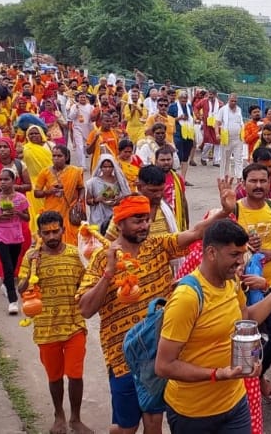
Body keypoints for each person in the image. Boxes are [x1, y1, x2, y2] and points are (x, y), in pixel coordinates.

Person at [76, 185, 239, 434]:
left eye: (146, 220)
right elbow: (85, 309)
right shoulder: (102, 258)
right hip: (123, 358)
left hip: (157, 355)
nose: (144, 226)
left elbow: (196, 232)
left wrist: (224, 212)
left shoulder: (158, 245)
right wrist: (109, 273)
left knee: (154, 423)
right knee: (126, 427)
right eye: (136, 221)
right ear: (119, 223)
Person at [155, 219, 271, 433]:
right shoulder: (187, 298)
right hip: (194, 414)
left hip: (235, 403)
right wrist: (217, 374)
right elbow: (164, 366)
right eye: (234, 255)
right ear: (211, 253)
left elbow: (247, 319)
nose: (241, 262)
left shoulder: (231, 283)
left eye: (242, 254)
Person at [18, 211, 93, 434]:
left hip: (74, 325)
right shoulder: (32, 256)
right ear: (39, 233)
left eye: (55, 231)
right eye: (46, 233)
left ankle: (76, 419)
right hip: (46, 328)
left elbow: (85, 283)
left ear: (62, 229)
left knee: (76, 375)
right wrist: (32, 268)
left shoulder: (73, 254)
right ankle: (58, 415)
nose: (51, 236)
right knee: (55, 377)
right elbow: (21, 289)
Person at [233, 163, 271, 402]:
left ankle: (258, 375)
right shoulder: (234, 211)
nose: (258, 186)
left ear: (270, 183)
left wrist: (266, 255)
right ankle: (242, 388)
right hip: (242, 290)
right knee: (245, 343)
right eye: (253, 181)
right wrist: (247, 251)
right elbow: (225, 251)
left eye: (263, 181)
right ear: (243, 184)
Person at [0, 169, 31, 315]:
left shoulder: (21, 199)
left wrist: (17, 213)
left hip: (16, 236)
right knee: (7, 266)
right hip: (0, 235)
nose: (2, 182)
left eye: (6, 179)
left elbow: (27, 218)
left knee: (12, 267)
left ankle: (6, 285)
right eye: (0, 179)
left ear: (13, 181)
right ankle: (13, 301)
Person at [34, 144, 86, 246]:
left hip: (69, 211)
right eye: (54, 156)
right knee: (51, 237)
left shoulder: (75, 171)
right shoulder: (45, 172)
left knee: (72, 239)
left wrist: (79, 201)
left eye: (59, 156)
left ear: (66, 157)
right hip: (51, 211)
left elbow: (81, 188)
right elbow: (36, 193)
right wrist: (49, 192)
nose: (56, 158)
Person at [85, 154, 131, 230]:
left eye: (110, 167)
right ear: (100, 167)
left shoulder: (118, 181)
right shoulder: (93, 182)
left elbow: (126, 196)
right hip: (98, 216)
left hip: (114, 215)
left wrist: (118, 200)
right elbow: (88, 201)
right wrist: (97, 199)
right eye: (105, 167)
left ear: (114, 167)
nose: (107, 169)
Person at [156, 146, 189, 231]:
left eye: (168, 159)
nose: (166, 162)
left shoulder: (177, 178)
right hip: (158, 222)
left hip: (175, 220)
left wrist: (187, 224)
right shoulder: (151, 178)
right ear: (156, 161)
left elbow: (183, 201)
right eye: (162, 160)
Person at [167, 90, 195, 183]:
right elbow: (168, 120)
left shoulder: (189, 106)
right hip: (177, 133)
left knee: (186, 157)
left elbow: (191, 118)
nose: (184, 100)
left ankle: (183, 178)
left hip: (188, 133)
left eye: (185, 99)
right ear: (178, 99)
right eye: (182, 99)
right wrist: (179, 118)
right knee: (178, 155)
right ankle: (174, 177)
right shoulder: (173, 107)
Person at [216, 93, 244, 179]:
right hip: (226, 138)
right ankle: (223, 177)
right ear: (228, 100)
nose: (233, 103)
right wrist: (217, 134)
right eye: (232, 101)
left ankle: (239, 177)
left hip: (238, 138)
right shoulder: (223, 110)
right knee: (225, 159)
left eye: (235, 101)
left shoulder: (239, 109)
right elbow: (217, 123)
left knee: (238, 158)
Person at [86, 110, 121, 174]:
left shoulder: (114, 133)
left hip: (113, 165)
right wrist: (95, 139)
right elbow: (88, 151)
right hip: (99, 166)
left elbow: (118, 151)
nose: (109, 123)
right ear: (101, 122)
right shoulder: (94, 133)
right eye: (107, 121)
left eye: (110, 121)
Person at [196, 90, 222, 167]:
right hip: (206, 125)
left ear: (216, 95)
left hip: (216, 125)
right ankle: (203, 157)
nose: (211, 96)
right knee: (208, 143)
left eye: (212, 95)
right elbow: (196, 107)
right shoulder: (204, 101)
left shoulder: (220, 104)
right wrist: (199, 116)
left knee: (217, 143)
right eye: (210, 94)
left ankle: (216, 161)